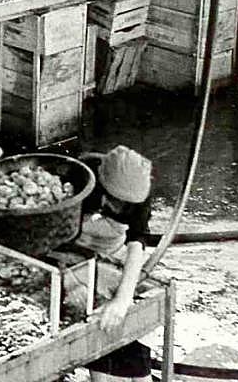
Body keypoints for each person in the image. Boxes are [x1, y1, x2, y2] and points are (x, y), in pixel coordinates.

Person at [73, 145, 155, 382]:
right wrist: (71, 281)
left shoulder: (139, 187)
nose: (121, 206)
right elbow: (52, 235)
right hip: (71, 242)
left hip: (110, 245)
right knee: (87, 312)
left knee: (116, 316)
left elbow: (137, 242)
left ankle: (139, 374)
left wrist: (123, 299)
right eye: (117, 199)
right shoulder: (80, 174)